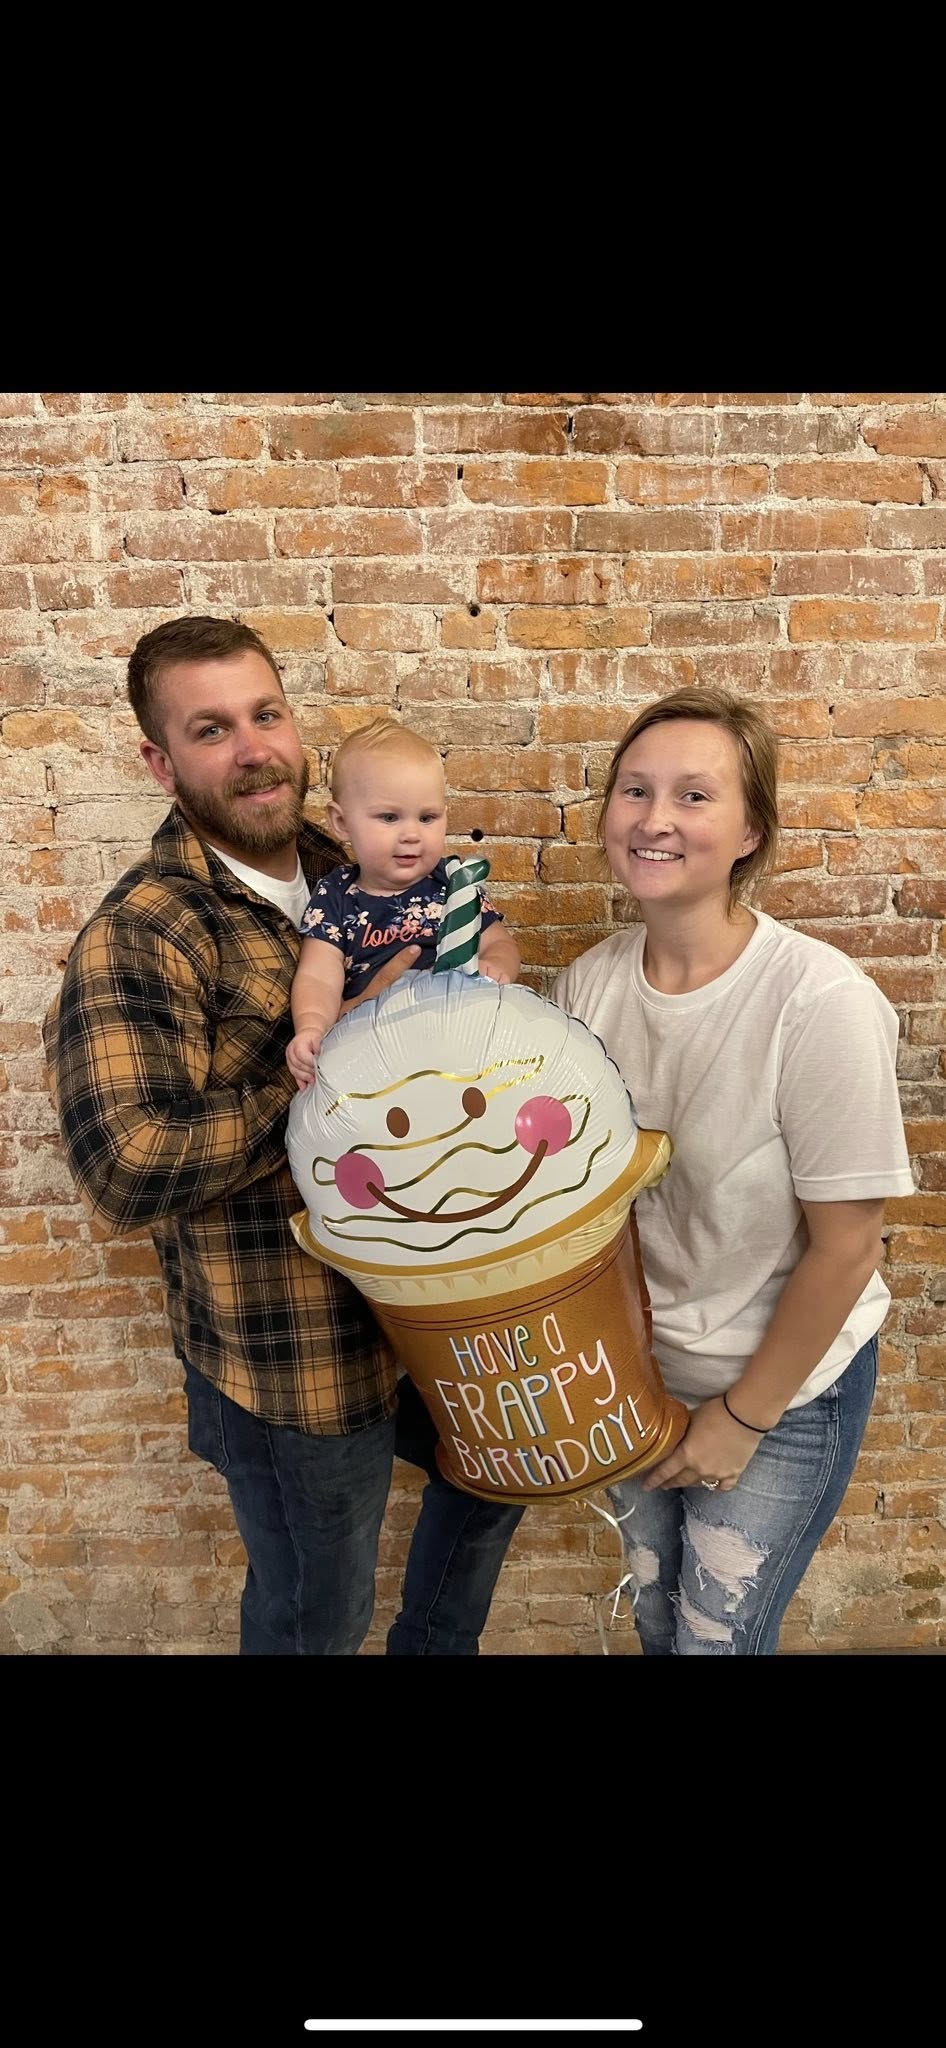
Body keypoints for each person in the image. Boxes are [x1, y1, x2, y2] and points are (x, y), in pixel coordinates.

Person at [43, 615, 525, 1655]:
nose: (254, 747)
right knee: (316, 1615)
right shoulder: (144, 931)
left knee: (502, 1474)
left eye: (266, 713)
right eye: (212, 728)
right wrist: (337, 1061)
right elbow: (126, 1169)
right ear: (158, 761)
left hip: (437, 1306)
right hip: (295, 1362)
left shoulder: (362, 860)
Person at [551, 686, 914, 1656]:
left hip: (778, 1393)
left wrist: (738, 1419)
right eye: (634, 789)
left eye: (693, 795)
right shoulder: (586, 985)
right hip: (637, 1385)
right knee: (657, 1624)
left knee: (716, 1641)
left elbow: (846, 1251)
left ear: (751, 829)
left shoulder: (818, 1002)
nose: (654, 818)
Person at [286, 717, 520, 1088]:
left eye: (427, 817)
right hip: (372, 1056)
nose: (412, 834)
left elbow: (499, 941)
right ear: (342, 822)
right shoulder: (335, 895)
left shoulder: (453, 885)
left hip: (458, 1047)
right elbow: (317, 975)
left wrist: (496, 965)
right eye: (389, 817)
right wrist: (313, 1028)